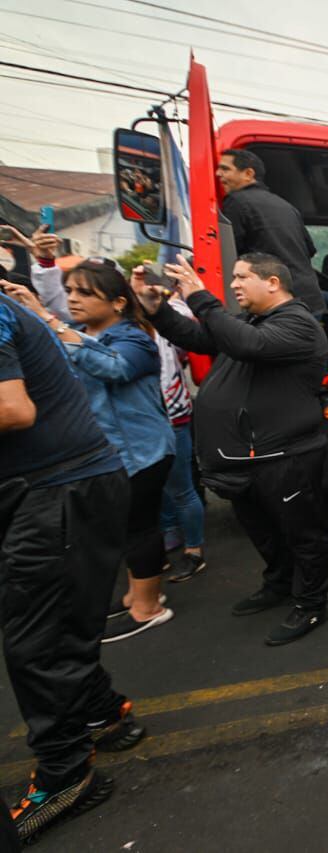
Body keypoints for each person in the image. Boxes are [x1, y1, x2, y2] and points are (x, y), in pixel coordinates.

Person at [0, 290, 144, 843]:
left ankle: (65, 773)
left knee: (36, 642)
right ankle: (101, 713)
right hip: (57, 488)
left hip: (60, 491)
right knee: (59, 622)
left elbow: (14, 409)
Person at [135, 253, 328, 646]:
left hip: (285, 456)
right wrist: (158, 312)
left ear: (273, 283)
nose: (234, 284)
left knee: (303, 533)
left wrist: (198, 296)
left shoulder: (299, 323)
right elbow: (199, 337)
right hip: (247, 458)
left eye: (243, 277)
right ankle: (279, 584)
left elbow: (247, 345)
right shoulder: (252, 321)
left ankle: (311, 604)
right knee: (263, 530)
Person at [8, 259, 177, 643]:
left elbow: (114, 369)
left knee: (139, 528)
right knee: (125, 529)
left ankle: (149, 608)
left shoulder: (132, 337)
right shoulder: (81, 333)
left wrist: (50, 321)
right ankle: (139, 594)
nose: (73, 299)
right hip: (113, 453)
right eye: (69, 292)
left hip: (142, 450)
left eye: (85, 292)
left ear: (118, 302)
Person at [217, 149, 326, 316]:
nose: (218, 174)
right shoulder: (287, 206)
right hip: (310, 300)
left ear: (248, 174)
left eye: (225, 169)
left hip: (277, 306)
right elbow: (309, 250)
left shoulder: (236, 202)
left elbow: (227, 253)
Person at [153, 287, 207, 584]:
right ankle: (170, 533)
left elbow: (189, 331)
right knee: (159, 486)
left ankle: (194, 550)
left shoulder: (167, 320)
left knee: (181, 485)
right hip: (146, 421)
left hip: (172, 415)